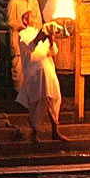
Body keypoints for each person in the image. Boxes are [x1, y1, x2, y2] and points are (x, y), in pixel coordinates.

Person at [15, 12, 68, 143]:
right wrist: (40, 36)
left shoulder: (42, 31)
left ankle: (55, 128)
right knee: (38, 101)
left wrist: (51, 40)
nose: (36, 19)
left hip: (48, 68)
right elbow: (30, 48)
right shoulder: (23, 35)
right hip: (35, 72)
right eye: (32, 17)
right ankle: (36, 131)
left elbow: (53, 51)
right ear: (25, 20)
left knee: (54, 97)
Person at [7, 0, 42, 91]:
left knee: (34, 67)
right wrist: (23, 25)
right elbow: (10, 21)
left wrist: (34, 28)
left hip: (32, 39)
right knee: (19, 68)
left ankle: (31, 94)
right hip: (18, 39)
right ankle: (19, 95)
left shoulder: (34, 2)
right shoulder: (14, 2)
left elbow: (39, 21)